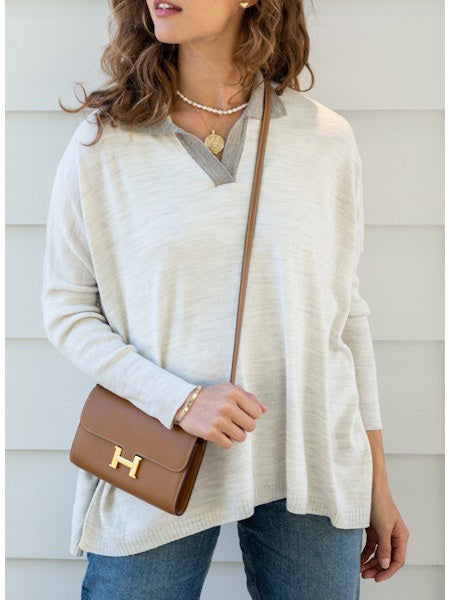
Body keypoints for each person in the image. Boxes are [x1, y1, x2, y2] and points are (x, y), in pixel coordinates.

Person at [40, 0, 410, 597]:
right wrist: (181, 400)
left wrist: (376, 483)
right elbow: (67, 309)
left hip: (310, 455)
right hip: (157, 449)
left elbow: (346, 318)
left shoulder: (324, 140)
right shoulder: (105, 144)